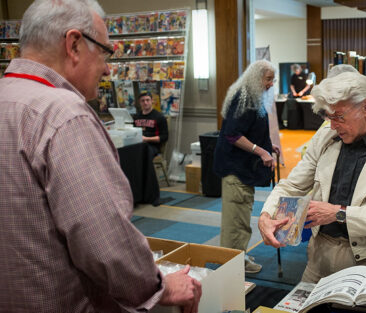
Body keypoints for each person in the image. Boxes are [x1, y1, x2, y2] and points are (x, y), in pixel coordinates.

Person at [0, 1, 201, 312]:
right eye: (106, 52)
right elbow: (105, 242)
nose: (108, 68)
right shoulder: (64, 114)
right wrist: (159, 288)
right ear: (74, 44)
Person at [258, 70, 366, 283]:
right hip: (317, 258)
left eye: (339, 116)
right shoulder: (326, 138)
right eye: (329, 116)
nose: (333, 125)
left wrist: (339, 213)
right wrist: (265, 216)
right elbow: (292, 186)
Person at [214, 59, 280, 274]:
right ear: (256, 77)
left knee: (240, 215)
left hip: (242, 169)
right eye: (268, 79)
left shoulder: (252, 96)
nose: (271, 84)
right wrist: (261, 151)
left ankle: (236, 256)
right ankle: (234, 264)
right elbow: (233, 134)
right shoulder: (244, 98)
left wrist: (270, 146)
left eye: (273, 79)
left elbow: (251, 130)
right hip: (236, 169)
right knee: (236, 220)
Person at [134, 92, 169, 157]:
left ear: (152, 101)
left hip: (153, 146)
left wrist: (146, 139)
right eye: (143, 101)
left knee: (142, 153)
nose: (145, 103)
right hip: (138, 144)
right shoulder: (136, 116)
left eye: (147, 100)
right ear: (140, 102)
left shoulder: (160, 117)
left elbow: (164, 137)